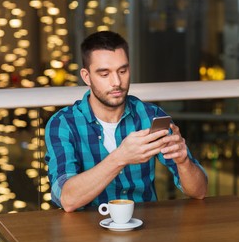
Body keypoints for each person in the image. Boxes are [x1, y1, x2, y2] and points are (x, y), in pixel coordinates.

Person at [45, 31, 207, 212]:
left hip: (145, 229)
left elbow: (199, 192)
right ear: (86, 76)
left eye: (123, 71)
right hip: (86, 233)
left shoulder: (150, 115)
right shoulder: (63, 124)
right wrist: (120, 157)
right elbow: (67, 199)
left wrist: (183, 161)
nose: (117, 82)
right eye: (104, 74)